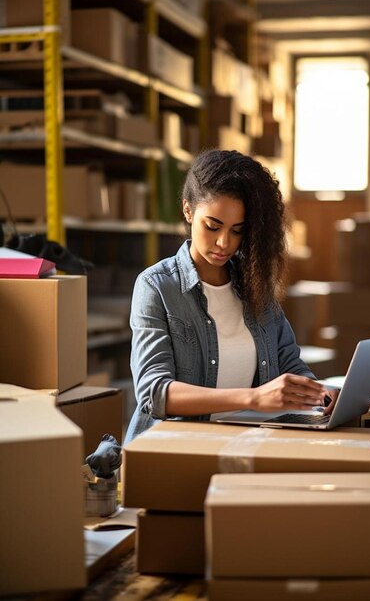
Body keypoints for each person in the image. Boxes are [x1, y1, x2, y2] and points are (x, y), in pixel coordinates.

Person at [124, 149, 327, 443]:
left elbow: (290, 364)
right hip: (169, 453)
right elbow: (154, 393)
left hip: (242, 447)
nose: (224, 243)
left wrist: (321, 394)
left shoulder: (255, 285)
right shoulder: (157, 287)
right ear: (188, 211)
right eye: (213, 226)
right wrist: (253, 398)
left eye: (237, 231)